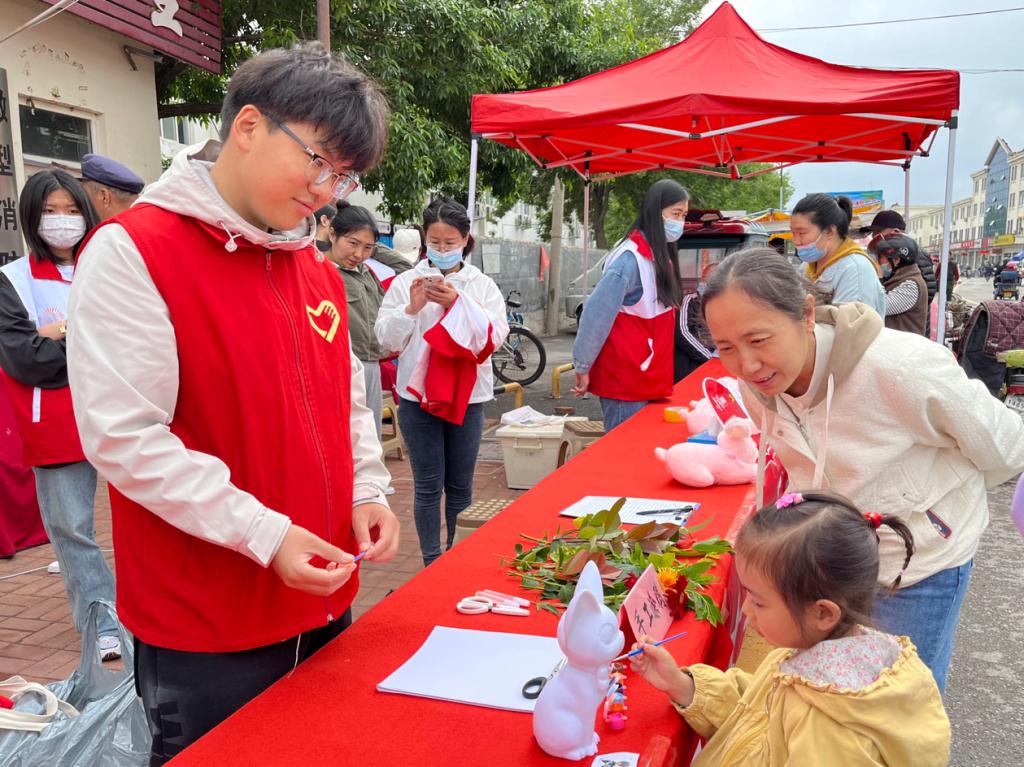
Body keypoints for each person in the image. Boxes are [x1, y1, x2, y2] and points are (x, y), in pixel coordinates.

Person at [68, 43, 398, 763]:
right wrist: (266, 534)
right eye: (318, 161)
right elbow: (125, 437)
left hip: (321, 592)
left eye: (343, 176)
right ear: (248, 125)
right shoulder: (136, 251)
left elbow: (343, 394)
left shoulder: (311, 266)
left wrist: (366, 488)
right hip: (208, 622)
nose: (327, 191)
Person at [699, 247, 1024, 692]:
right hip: (832, 565)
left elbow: (1006, 447)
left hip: (916, 565)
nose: (747, 365)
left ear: (806, 314)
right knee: (840, 697)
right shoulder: (757, 387)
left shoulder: (901, 367)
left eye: (758, 340)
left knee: (897, 704)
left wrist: (934, 504)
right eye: (726, 348)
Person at [631, 491, 949, 766]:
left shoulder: (826, 727)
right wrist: (683, 686)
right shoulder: (805, 665)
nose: (746, 610)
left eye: (758, 601)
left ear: (822, 613)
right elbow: (752, 716)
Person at [0, 169, 121, 660]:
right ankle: (101, 619)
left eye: (71, 210)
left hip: (122, 411)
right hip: (55, 418)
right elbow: (25, 358)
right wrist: (91, 336)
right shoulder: (14, 280)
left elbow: (138, 337)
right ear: (32, 217)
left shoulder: (110, 266)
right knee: (72, 527)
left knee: (150, 516)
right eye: (50, 211)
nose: (62, 220)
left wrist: (59, 333)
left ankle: (151, 609)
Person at [375, 197, 508, 566]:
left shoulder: (481, 285)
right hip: (417, 400)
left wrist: (459, 304)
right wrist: (412, 309)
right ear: (424, 239)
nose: (443, 249)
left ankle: (456, 559)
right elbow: (386, 339)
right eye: (435, 242)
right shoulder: (405, 282)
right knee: (428, 486)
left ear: (465, 239)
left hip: (468, 397)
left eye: (450, 242)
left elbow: (495, 337)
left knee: (461, 486)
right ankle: (432, 562)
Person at [572, 180, 688, 430]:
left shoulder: (659, 257)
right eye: (676, 214)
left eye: (683, 215)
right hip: (626, 380)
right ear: (655, 212)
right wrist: (582, 364)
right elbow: (596, 316)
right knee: (623, 446)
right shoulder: (629, 260)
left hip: (650, 375)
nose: (680, 222)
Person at [325, 201, 409, 437]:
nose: (358, 254)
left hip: (371, 364)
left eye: (367, 247)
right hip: (340, 367)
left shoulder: (366, 272)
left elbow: (406, 267)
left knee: (370, 437)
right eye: (352, 243)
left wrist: (370, 242)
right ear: (332, 234)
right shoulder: (321, 271)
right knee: (342, 436)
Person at [791, 194, 885, 317]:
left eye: (802, 233)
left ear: (830, 231)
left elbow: (850, 325)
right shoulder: (807, 267)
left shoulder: (855, 269)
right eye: (793, 233)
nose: (795, 241)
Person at [870, 209, 938, 307]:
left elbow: (927, 292)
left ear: (896, 231)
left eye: (877, 232)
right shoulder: (896, 253)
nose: (873, 236)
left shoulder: (913, 254)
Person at [871, 234, 928, 335]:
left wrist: (879, 278)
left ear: (896, 259)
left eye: (880, 258)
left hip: (905, 344)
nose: (878, 262)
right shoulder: (896, 279)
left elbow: (880, 307)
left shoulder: (912, 285)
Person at [673, 262, 716, 382]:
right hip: (689, 368)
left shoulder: (721, 305)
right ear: (702, 280)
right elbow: (683, 333)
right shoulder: (689, 301)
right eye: (709, 279)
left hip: (714, 366)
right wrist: (709, 357)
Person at [78, 153, 145, 220]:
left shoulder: (111, 227)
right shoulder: (144, 221)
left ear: (104, 197)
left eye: (86, 196)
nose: (81, 204)